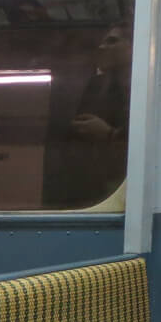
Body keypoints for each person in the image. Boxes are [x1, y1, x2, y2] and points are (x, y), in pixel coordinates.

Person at [43, 24, 131, 208]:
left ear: (134, 46)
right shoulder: (97, 86)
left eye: (112, 41)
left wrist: (110, 134)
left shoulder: (146, 93)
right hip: (90, 181)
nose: (102, 47)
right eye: (101, 42)